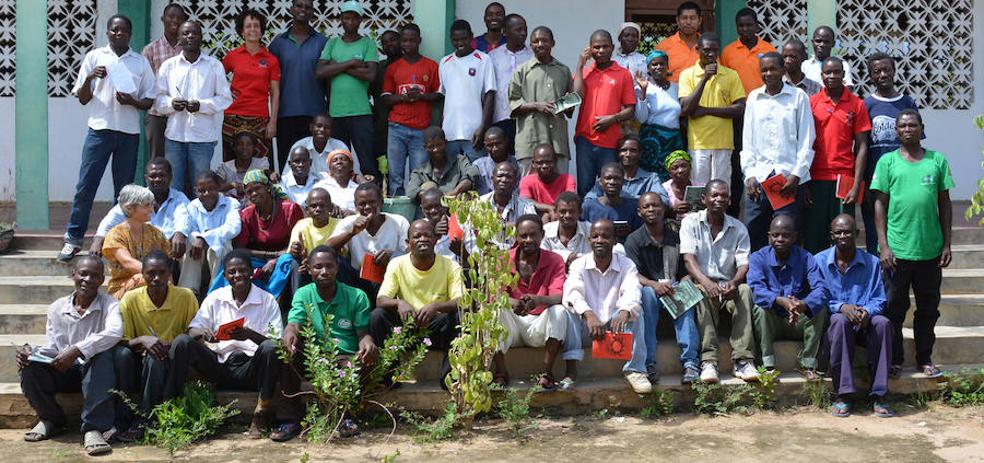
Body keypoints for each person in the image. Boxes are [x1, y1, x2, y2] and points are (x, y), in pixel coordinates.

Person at [59, 15, 157, 262]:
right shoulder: (95, 57)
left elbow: (149, 99)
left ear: (130, 34)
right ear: (108, 32)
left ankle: (116, 242)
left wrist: (132, 101)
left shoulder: (140, 62)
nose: (118, 34)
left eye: (123, 31)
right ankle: (73, 239)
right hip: (99, 130)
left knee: (123, 192)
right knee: (85, 186)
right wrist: (91, 77)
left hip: (128, 133)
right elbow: (82, 98)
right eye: (114, 30)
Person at [872, 109, 953, 379]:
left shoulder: (937, 161)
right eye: (903, 126)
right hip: (897, 252)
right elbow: (879, 204)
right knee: (894, 310)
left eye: (912, 125)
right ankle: (895, 360)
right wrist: (883, 246)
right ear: (896, 131)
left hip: (930, 251)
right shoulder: (887, 162)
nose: (907, 129)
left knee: (928, 309)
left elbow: (945, 203)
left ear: (921, 127)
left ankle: (924, 359)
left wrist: (946, 244)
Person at [170, 249, 283, 438]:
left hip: (252, 368)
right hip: (220, 364)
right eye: (232, 272)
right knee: (182, 342)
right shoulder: (216, 297)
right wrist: (203, 334)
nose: (237, 275)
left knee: (271, 348)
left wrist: (249, 335)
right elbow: (192, 329)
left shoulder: (267, 300)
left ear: (252, 272)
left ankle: (261, 413)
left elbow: (276, 342)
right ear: (225, 275)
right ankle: (173, 405)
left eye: (242, 270)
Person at [17, 256, 120, 455]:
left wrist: (77, 350)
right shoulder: (57, 307)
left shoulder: (110, 305)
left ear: (102, 280)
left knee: (101, 355)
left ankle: (93, 428)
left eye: (95, 276)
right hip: (65, 371)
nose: (88, 279)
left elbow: (114, 333)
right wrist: (30, 352)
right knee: (29, 365)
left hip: (96, 375)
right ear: (73, 275)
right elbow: (53, 345)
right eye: (83, 273)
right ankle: (51, 419)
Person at [275, 245, 377, 441]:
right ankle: (289, 420)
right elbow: (294, 324)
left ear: (337, 268)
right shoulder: (303, 294)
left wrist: (368, 342)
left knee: (368, 356)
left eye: (329, 266)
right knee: (285, 351)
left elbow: (363, 333)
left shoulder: (357, 296)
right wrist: (289, 334)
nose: (324, 272)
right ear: (310, 270)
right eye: (318, 267)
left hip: (345, 357)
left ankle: (346, 417)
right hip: (313, 357)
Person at [113, 250, 198, 441]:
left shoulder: (185, 296)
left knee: (157, 357)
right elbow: (121, 338)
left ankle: (145, 418)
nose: (156, 278)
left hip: (174, 361)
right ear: (142, 274)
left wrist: (172, 344)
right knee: (122, 354)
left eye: (162, 273)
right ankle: (123, 418)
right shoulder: (131, 298)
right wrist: (143, 340)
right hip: (139, 360)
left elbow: (193, 332)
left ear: (170, 274)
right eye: (151, 273)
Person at [817, 214, 894, 418]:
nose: (843, 236)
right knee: (839, 320)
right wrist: (841, 307)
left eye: (848, 232)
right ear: (831, 235)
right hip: (836, 329)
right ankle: (843, 395)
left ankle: (879, 394)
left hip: (865, 323)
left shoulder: (872, 263)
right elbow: (817, 298)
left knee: (883, 323)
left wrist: (867, 311)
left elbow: (879, 298)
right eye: (838, 232)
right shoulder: (819, 262)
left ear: (857, 234)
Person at [680, 180, 757, 383]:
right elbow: (688, 259)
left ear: (729, 200)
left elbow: (743, 264)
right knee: (697, 291)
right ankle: (709, 361)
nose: (719, 199)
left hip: (727, 285)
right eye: (714, 195)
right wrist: (706, 282)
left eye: (723, 196)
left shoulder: (738, 228)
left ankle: (743, 359)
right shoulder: (690, 222)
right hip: (703, 281)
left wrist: (734, 281)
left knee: (745, 291)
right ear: (704, 199)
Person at [372, 220, 464, 388]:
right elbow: (381, 300)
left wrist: (436, 306)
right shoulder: (397, 264)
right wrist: (399, 303)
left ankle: (450, 377)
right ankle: (388, 377)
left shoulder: (451, 266)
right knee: (378, 316)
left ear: (436, 239)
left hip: (436, 329)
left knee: (460, 316)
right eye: (417, 236)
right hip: (406, 330)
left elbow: (461, 300)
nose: (423, 239)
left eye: (428, 235)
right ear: (408, 243)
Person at [563, 220, 650, 393]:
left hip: (614, 326)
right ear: (589, 240)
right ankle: (571, 371)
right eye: (595, 236)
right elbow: (572, 293)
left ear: (615, 240)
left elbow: (633, 290)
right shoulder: (578, 264)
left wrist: (625, 310)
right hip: (586, 328)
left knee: (636, 311)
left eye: (605, 236)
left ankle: (635, 370)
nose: (599, 240)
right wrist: (589, 315)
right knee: (567, 310)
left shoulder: (626, 264)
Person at [740, 51, 816, 251]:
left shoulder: (798, 97)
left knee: (786, 235)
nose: (768, 73)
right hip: (759, 179)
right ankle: (756, 279)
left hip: (788, 180)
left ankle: (785, 281)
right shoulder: (754, 98)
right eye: (764, 70)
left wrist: (797, 175)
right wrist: (749, 175)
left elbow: (807, 140)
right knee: (753, 232)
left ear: (783, 70)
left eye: (773, 68)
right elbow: (747, 141)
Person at [625, 192, 700, 385]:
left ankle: (690, 363)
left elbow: (686, 269)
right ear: (639, 212)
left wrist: (684, 282)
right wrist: (654, 285)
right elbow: (632, 274)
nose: (651, 210)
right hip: (650, 290)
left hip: (673, 288)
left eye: (656, 205)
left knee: (686, 292)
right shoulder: (634, 240)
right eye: (646, 207)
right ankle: (649, 362)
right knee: (647, 294)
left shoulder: (676, 236)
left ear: (664, 209)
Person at [491, 214, 571, 389]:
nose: (528, 240)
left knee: (559, 311)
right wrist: (512, 302)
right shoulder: (503, 259)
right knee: (494, 310)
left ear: (542, 235)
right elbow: (494, 294)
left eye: (533, 235)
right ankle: (501, 372)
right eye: (523, 235)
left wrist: (539, 299)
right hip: (511, 326)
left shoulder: (555, 259)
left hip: (539, 325)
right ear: (516, 237)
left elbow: (559, 296)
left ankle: (547, 372)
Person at [155, 20, 232, 195]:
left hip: (202, 138)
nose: (190, 36)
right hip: (175, 136)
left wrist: (201, 105)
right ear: (179, 38)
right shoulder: (169, 66)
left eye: (194, 33)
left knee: (202, 186)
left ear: (201, 37)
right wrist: (171, 104)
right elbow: (158, 100)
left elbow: (225, 99)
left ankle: (200, 221)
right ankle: (176, 221)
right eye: (185, 33)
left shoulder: (214, 66)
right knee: (174, 186)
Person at [803, 57, 870, 253]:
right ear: (821, 76)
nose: (832, 76)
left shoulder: (857, 104)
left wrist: (857, 184)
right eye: (828, 73)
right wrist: (804, 183)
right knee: (814, 236)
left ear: (843, 75)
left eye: (836, 72)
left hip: (845, 179)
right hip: (816, 178)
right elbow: (805, 144)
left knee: (844, 237)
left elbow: (862, 146)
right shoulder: (811, 103)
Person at [748, 215, 828, 379]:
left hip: (798, 319)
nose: (780, 239)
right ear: (769, 236)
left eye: (785, 235)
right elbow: (756, 288)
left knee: (819, 309)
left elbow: (821, 289)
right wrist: (780, 301)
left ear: (794, 237)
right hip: (773, 321)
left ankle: (808, 365)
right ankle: (768, 365)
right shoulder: (758, 257)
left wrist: (803, 304)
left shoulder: (806, 258)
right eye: (775, 235)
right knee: (760, 309)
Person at [861, 53, 920, 253]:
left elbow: (916, 145)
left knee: (903, 229)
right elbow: (861, 147)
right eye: (877, 71)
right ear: (870, 76)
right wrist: (863, 183)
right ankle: (878, 281)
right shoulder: (866, 105)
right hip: (875, 182)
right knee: (874, 235)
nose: (883, 74)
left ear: (894, 72)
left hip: (904, 180)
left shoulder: (907, 103)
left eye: (887, 69)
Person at [316, 0, 380, 182]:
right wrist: (351, 63)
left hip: (361, 112)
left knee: (367, 160)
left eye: (354, 18)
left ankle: (374, 197)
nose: (350, 21)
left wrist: (338, 66)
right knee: (339, 162)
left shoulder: (368, 44)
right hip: (336, 114)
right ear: (341, 20)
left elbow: (370, 75)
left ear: (360, 20)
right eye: (346, 17)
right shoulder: (333, 44)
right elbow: (320, 71)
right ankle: (341, 199)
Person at [219, 170, 304, 299]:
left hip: (286, 256)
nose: (254, 194)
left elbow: (297, 245)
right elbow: (241, 249)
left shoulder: (290, 209)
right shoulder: (247, 214)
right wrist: (271, 256)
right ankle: (219, 300)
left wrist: (274, 260)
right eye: (249, 191)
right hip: (260, 260)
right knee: (231, 262)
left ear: (268, 188)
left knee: (288, 262)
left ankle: (271, 300)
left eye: (258, 188)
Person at [572, 30, 636, 197]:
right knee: (584, 188)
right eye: (596, 47)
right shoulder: (584, 73)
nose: (600, 51)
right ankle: (585, 222)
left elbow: (630, 109)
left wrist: (612, 119)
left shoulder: (623, 74)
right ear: (590, 49)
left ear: (613, 47)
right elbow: (575, 98)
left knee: (609, 188)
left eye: (605, 46)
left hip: (611, 141)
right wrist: (579, 65)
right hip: (585, 139)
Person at [678, 32, 746, 187]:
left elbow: (740, 108)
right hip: (698, 144)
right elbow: (686, 108)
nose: (711, 54)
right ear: (697, 49)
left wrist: (705, 111)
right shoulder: (687, 75)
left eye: (715, 50)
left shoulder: (730, 75)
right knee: (699, 192)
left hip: (724, 143)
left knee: (721, 193)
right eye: (707, 50)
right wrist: (704, 78)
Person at [381, 23, 441, 196]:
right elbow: (385, 97)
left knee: (419, 175)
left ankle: (417, 216)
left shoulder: (431, 66)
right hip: (397, 127)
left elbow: (439, 95)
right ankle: (398, 213)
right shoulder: (393, 68)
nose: (408, 44)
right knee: (395, 176)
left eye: (412, 41)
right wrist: (403, 97)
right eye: (405, 41)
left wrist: (421, 96)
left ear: (419, 41)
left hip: (421, 130)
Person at [269, 0, 328, 172]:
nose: (303, 9)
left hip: (315, 115)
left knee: (315, 165)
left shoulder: (323, 42)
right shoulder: (278, 43)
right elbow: (271, 81)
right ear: (291, 9)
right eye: (299, 5)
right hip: (285, 115)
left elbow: (329, 81)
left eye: (308, 7)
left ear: (312, 12)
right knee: (286, 162)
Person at [90, 158, 190, 259]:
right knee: (114, 237)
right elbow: (112, 218)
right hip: (140, 251)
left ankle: (185, 275)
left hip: (170, 251)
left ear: (170, 177)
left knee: (190, 239)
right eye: (153, 176)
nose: (157, 179)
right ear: (146, 178)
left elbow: (183, 217)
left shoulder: (179, 198)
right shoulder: (136, 196)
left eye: (162, 175)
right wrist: (98, 240)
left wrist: (180, 233)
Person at [509, 26, 574, 175]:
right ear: (530, 45)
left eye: (544, 40)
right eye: (535, 41)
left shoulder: (563, 70)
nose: (540, 44)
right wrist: (536, 106)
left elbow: (570, 108)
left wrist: (567, 106)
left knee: (559, 188)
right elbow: (513, 105)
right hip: (530, 141)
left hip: (557, 142)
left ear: (553, 43)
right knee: (527, 191)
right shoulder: (521, 71)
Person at [327, 183, 410, 298]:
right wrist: (352, 232)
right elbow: (327, 248)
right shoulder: (349, 223)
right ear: (355, 206)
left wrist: (391, 256)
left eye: (372, 202)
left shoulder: (399, 222)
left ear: (381, 202)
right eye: (362, 204)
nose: (367, 207)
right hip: (358, 279)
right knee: (335, 261)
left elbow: (409, 253)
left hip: (389, 277)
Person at [221, 9, 280, 167]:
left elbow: (275, 92)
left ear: (261, 31)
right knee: (230, 164)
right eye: (248, 26)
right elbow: (215, 79)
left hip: (260, 120)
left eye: (256, 26)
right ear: (242, 31)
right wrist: (225, 93)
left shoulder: (271, 60)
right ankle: (231, 192)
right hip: (232, 119)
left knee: (260, 164)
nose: (252, 29)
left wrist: (273, 122)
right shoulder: (233, 56)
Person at [439, 19, 496, 163]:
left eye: (464, 38)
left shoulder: (483, 59)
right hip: (449, 133)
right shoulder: (444, 62)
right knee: (452, 178)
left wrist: (482, 128)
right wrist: (441, 131)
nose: (460, 43)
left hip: (474, 132)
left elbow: (490, 95)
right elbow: (443, 97)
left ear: (471, 36)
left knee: (476, 175)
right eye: (455, 39)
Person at [101, 185, 171, 300]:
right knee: (141, 278)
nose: (151, 209)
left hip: (156, 284)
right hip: (123, 289)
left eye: (151, 204)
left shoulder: (157, 234)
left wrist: (169, 287)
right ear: (129, 208)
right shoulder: (115, 235)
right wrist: (157, 275)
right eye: (147, 205)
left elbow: (166, 265)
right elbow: (128, 262)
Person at [178, 172, 242, 296]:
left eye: (211, 189)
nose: (207, 194)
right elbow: (190, 229)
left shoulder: (231, 203)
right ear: (195, 191)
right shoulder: (192, 206)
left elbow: (234, 227)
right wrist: (200, 238)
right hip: (199, 256)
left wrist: (205, 237)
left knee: (219, 244)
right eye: (201, 191)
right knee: (190, 239)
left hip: (221, 256)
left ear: (218, 187)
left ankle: (216, 290)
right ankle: (188, 290)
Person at [142, 3, 188, 160]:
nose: (175, 21)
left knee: (183, 161)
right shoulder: (150, 50)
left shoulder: (190, 50)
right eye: (171, 16)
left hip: (185, 115)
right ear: (162, 19)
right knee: (157, 160)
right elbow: (146, 84)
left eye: (179, 18)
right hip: (157, 114)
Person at [634, 50, 684, 180]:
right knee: (651, 178)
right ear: (648, 69)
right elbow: (641, 118)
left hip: (673, 140)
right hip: (652, 140)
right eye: (654, 64)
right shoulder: (643, 87)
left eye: (662, 64)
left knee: (672, 178)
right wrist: (643, 92)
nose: (658, 67)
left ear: (667, 66)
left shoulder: (677, 87)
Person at [489, 14, 532, 156]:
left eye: (525, 29)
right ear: (505, 32)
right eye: (518, 29)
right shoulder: (493, 57)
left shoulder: (533, 57)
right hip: (500, 118)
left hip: (526, 120)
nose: (524, 33)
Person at [586, 135, 670, 203]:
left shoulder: (651, 178)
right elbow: (588, 200)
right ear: (618, 154)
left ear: (640, 154)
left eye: (633, 150)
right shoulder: (607, 178)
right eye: (623, 150)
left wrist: (625, 199)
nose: (628, 154)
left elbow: (664, 201)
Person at [406, 126, 480, 203]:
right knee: (428, 186)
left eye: (439, 144)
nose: (436, 150)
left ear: (446, 143)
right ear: (425, 148)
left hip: (457, 208)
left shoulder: (460, 160)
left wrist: (454, 192)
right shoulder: (420, 171)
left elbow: (473, 174)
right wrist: (436, 197)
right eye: (431, 146)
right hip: (433, 210)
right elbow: (411, 191)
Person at [287, 187, 340, 294]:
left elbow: (344, 253)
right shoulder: (301, 225)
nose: (318, 209)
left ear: (330, 207)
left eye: (322, 205)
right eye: (313, 206)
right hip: (308, 269)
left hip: (331, 268)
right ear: (307, 209)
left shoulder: (339, 225)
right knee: (293, 264)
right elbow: (294, 251)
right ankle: (298, 301)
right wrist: (295, 252)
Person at [720, 8, 777, 94]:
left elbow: (775, 76)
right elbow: (724, 79)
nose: (745, 29)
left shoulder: (769, 49)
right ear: (736, 27)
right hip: (736, 103)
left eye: (749, 25)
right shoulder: (727, 52)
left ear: (757, 26)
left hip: (763, 100)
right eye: (741, 26)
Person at [581, 163, 643, 241]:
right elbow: (582, 234)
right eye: (608, 178)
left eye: (617, 178)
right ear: (600, 181)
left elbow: (641, 235)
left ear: (623, 181)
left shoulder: (633, 207)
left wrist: (630, 232)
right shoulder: (588, 207)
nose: (612, 182)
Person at [371, 29, 403, 167]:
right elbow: (368, 91)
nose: (389, 44)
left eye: (392, 40)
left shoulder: (410, 65)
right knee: (382, 165)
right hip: (382, 125)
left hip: (405, 124)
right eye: (384, 43)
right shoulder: (379, 68)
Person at [519, 144, 576, 218]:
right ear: (533, 163)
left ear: (555, 161)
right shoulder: (526, 181)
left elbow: (569, 201)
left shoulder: (568, 179)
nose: (544, 166)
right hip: (537, 220)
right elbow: (524, 202)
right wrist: (549, 208)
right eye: (540, 163)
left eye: (548, 162)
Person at [216, 132, 272, 201]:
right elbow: (217, 187)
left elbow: (267, 175)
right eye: (240, 144)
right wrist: (233, 185)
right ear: (234, 147)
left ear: (254, 147)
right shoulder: (225, 167)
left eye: (248, 144)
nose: (244, 148)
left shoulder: (261, 163)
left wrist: (272, 175)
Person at [655, 1, 702, 83]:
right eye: (684, 18)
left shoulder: (708, 46)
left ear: (700, 20)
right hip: (671, 94)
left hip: (703, 94)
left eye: (692, 18)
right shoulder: (663, 47)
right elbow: (654, 74)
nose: (688, 22)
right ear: (677, 20)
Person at [542, 192, 593, 264]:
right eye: (563, 211)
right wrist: (569, 257)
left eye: (571, 211)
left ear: (580, 212)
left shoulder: (590, 230)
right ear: (555, 212)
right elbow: (542, 257)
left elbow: (595, 258)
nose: (567, 215)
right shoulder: (546, 230)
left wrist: (557, 256)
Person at [474, 126, 520, 195]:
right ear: (485, 145)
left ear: (506, 141)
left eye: (498, 144)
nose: (494, 148)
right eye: (490, 145)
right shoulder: (478, 166)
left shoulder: (517, 163)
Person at [313, 149, 361, 214]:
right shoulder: (320, 187)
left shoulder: (358, 189)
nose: (339, 162)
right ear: (329, 168)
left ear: (351, 166)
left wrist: (352, 213)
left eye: (343, 159)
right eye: (334, 160)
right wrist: (330, 206)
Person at [419, 187, 460, 262]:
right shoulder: (418, 228)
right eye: (428, 208)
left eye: (437, 206)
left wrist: (460, 250)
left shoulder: (459, 224)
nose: (433, 211)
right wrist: (433, 235)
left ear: (445, 205)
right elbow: (411, 254)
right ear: (422, 209)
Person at [662, 150, 697, 221]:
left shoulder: (700, 187)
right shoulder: (663, 189)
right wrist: (672, 210)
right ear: (669, 173)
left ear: (690, 168)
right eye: (675, 168)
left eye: (684, 166)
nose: (680, 170)